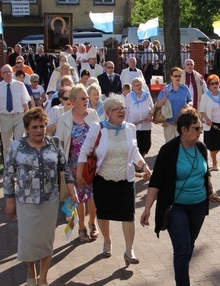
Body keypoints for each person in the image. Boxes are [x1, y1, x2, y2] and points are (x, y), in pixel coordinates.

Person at [141, 107, 217, 286]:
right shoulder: (169, 150)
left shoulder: (201, 148)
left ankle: (180, 279)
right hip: (176, 206)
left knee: (189, 245)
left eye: (200, 128)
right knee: (182, 248)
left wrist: (210, 187)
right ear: (184, 130)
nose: (200, 131)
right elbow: (155, 183)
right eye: (196, 128)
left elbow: (205, 171)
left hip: (199, 206)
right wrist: (147, 208)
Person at [3, 108, 78, 286]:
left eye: (42, 126)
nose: (39, 130)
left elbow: (65, 169)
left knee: (46, 241)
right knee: (29, 240)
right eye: (35, 127)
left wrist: (73, 192)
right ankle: (31, 271)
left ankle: (43, 278)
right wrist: (9, 201)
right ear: (27, 128)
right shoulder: (17, 146)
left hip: (49, 200)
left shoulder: (54, 144)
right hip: (26, 201)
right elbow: (8, 174)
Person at [77, 94, 151, 264]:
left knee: (128, 215)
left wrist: (144, 166)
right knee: (104, 213)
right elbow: (85, 151)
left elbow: (134, 151)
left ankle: (129, 250)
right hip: (103, 179)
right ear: (108, 113)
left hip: (125, 179)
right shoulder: (98, 128)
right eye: (116, 109)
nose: (121, 112)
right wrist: (80, 175)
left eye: (123, 108)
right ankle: (107, 241)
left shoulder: (130, 128)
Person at [56, 85, 101, 242]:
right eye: (83, 98)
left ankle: (92, 223)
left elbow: (101, 138)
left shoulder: (93, 114)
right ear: (73, 101)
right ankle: (81, 227)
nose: (86, 101)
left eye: (87, 98)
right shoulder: (64, 119)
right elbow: (60, 144)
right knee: (80, 197)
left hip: (92, 165)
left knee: (94, 196)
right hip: (74, 165)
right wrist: (64, 168)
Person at [0, 65, 31, 161]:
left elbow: (25, 104)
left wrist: (27, 120)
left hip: (19, 116)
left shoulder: (20, 85)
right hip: (5, 117)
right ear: (1, 75)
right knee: (6, 145)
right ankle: (9, 168)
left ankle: (20, 165)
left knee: (20, 142)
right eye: (5, 72)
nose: (8, 74)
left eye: (10, 72)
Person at [199, 74, 220, 170]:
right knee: (212, 146)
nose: (215, 85)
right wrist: (207, 119)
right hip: (211, 124)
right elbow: (202, 110)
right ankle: (215, 163)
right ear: (209, 85)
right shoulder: (205, 96)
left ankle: (213, 159)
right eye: (212, 83)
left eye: (216, 83)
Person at [156, 67, 192, 142]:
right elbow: (158, 106)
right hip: (169, 122)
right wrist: (163, 100)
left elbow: (190, 100)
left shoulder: (185, 88)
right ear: (171, 77)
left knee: (181, 144)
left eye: (179, 76)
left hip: (182, 122)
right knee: (169, 145)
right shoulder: (166, 89)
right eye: (175, 76)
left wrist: (189, 105)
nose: (177, 78)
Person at [125, 77, 154, 157]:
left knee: (147, 144)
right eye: (136, 85)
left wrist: (151, 115)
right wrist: (125, 123)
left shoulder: (147, 95)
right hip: (133, 124)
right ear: (133, 87)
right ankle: (138, 162)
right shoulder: (129, 97)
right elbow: (126, 110)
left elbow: (152, 108)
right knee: (137, 145)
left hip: (145, 125)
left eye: (140, 85)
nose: (139, 87)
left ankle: (141, 158)